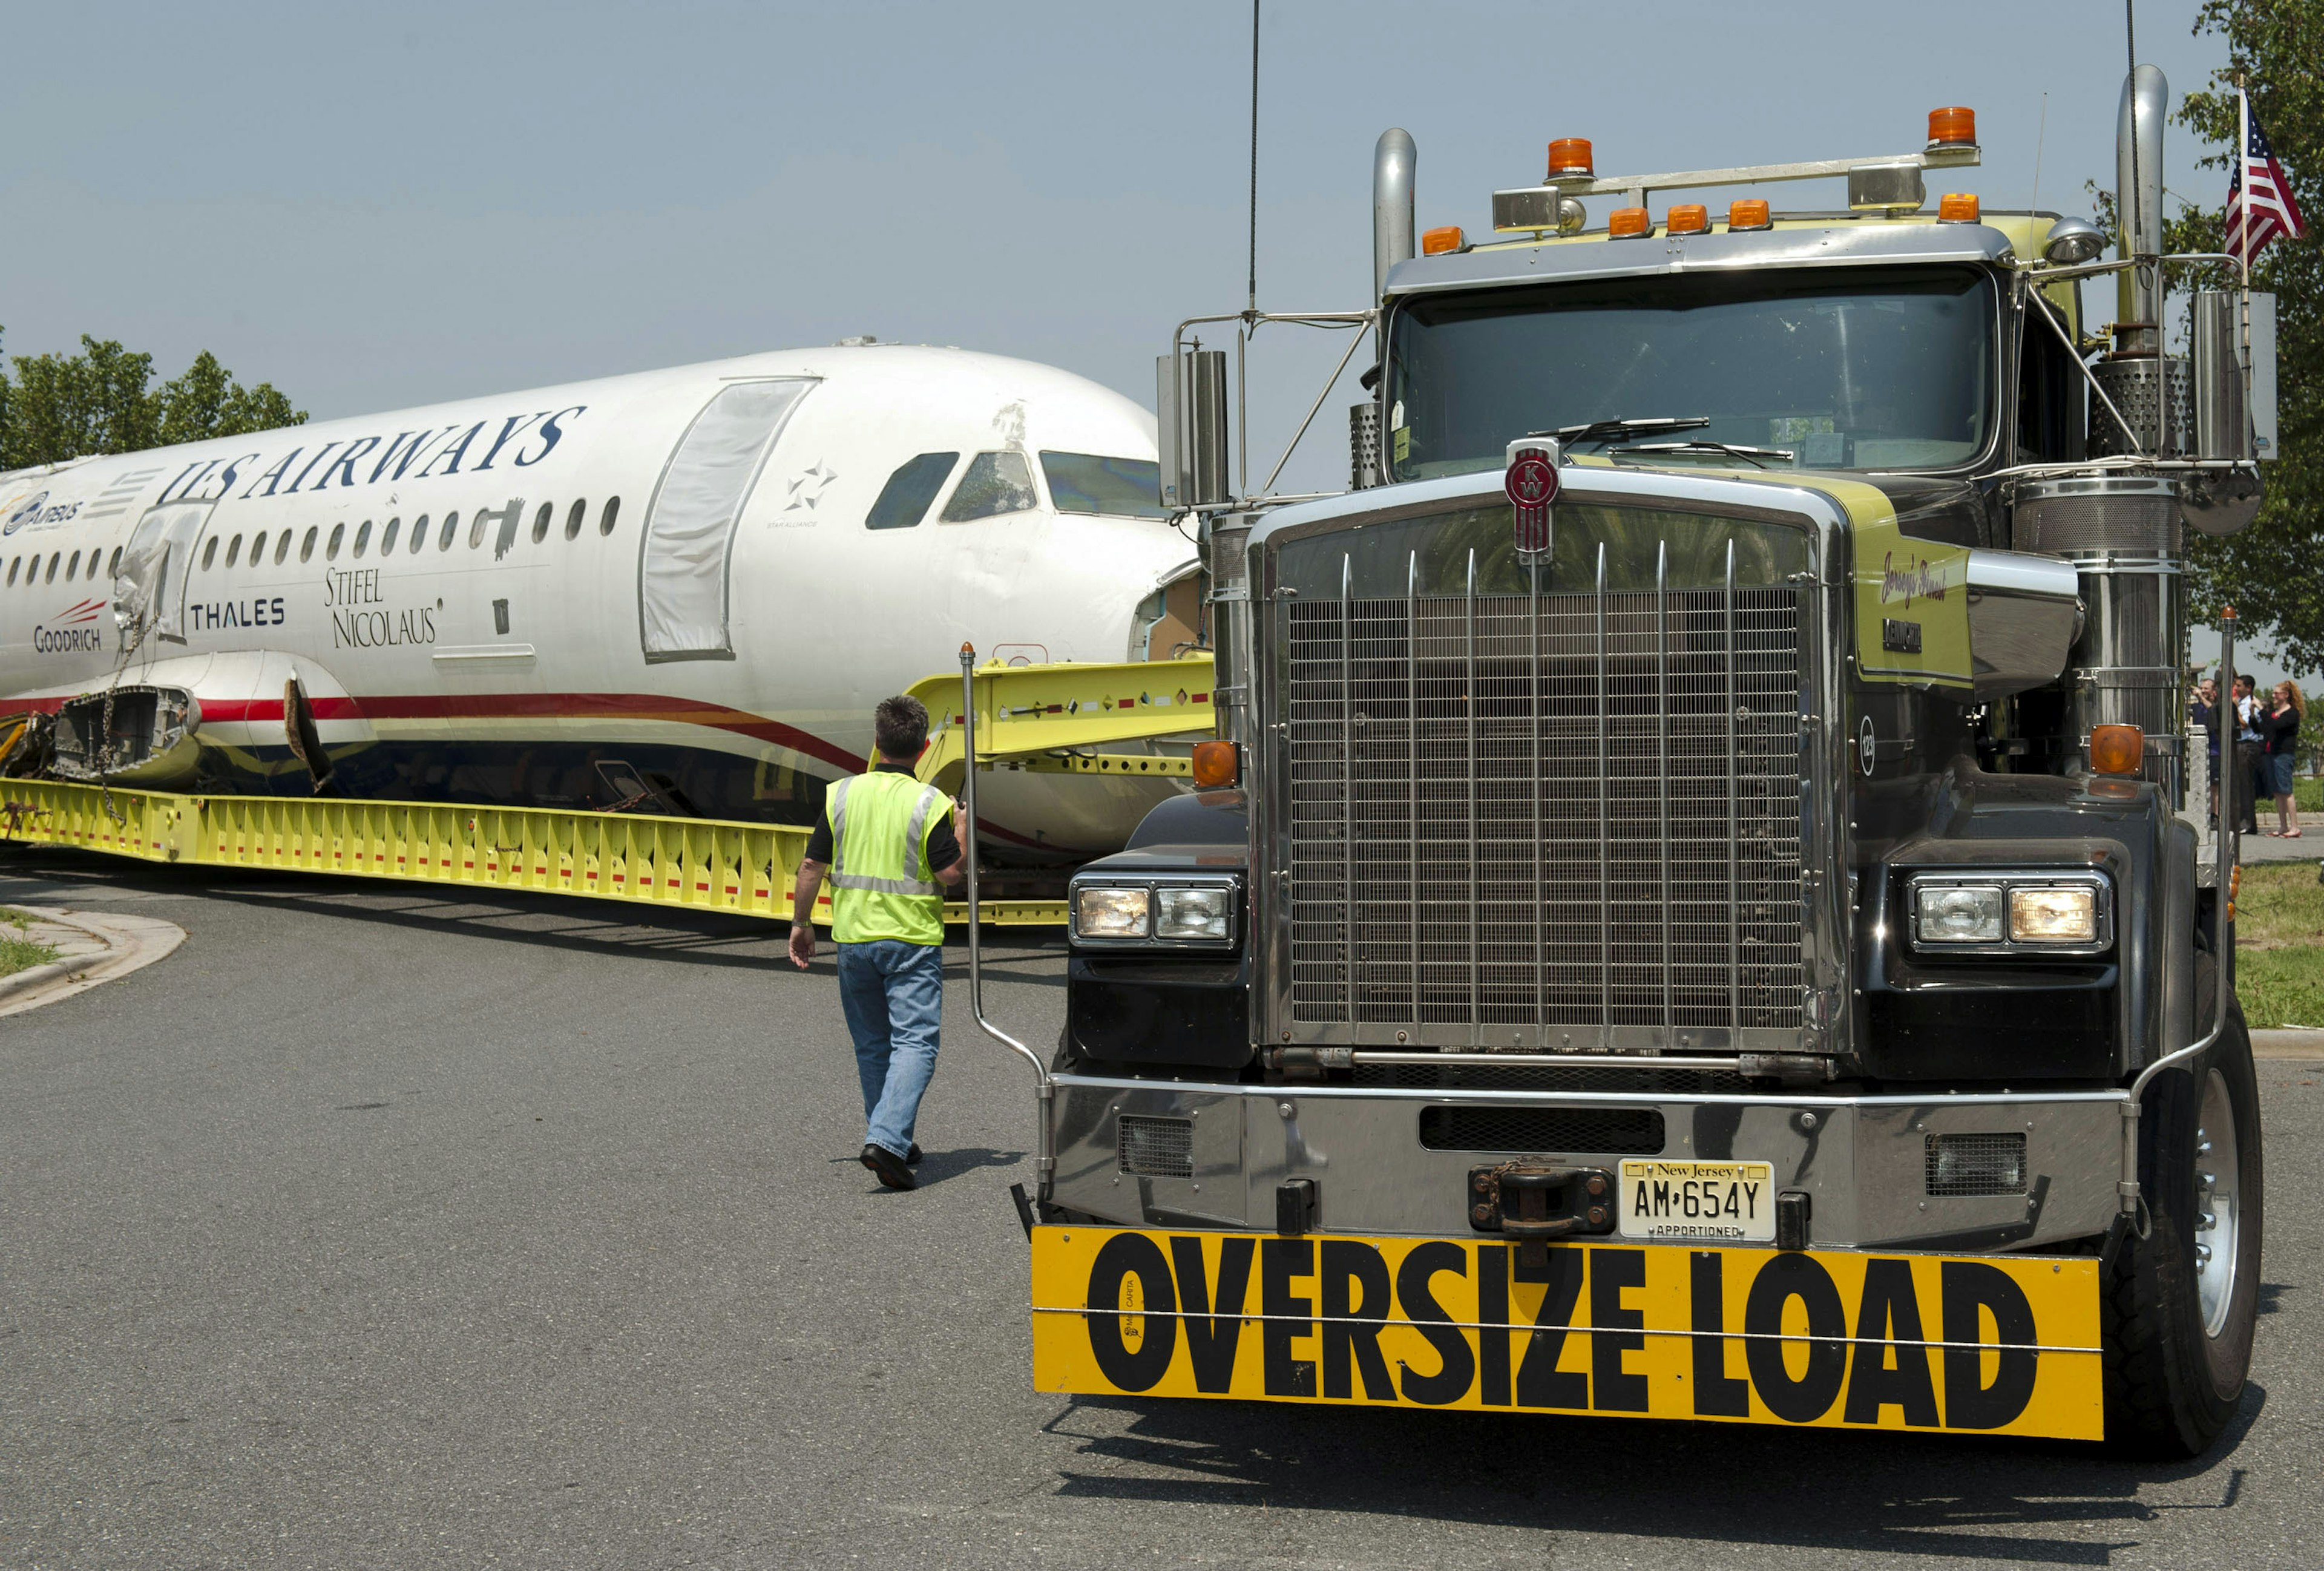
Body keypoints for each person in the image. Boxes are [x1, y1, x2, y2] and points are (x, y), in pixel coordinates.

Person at [787, 695, 968, 1190]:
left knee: (872, 1045)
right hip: (909, 939)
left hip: (853, 941)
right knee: (917, 1044)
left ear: (876, 741)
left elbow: (810, 868)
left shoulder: (840, 795)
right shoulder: (931, 803)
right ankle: (886, 1141)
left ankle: (889, 1137)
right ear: (925, 747)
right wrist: (964, 832)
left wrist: (802, 923)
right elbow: (951, 873)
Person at [2263, 680, 2305, 837]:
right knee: (2278, 791)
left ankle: (2295, 826)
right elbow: (2267, 727)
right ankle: (2283, 825)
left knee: (2286, 790)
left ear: (2286, 695)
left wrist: (2263, 711)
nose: (2273, 695)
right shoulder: (2275, 713)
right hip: (2272, 753)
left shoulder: (2291, 713)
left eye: (2277, 693)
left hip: (2284, 754)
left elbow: (2276, 726)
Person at [2234, 675, 2265, 835]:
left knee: (2246, 785)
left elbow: (2244, 724)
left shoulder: (2250, 704)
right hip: (2240, 744)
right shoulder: (2240, 702)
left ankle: (2248, 823)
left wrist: (2235, 709)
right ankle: (2242, 820)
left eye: (2239, 686)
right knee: (2240, 785)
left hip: (2249, 746)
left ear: (2248, 688)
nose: (2236, 688)